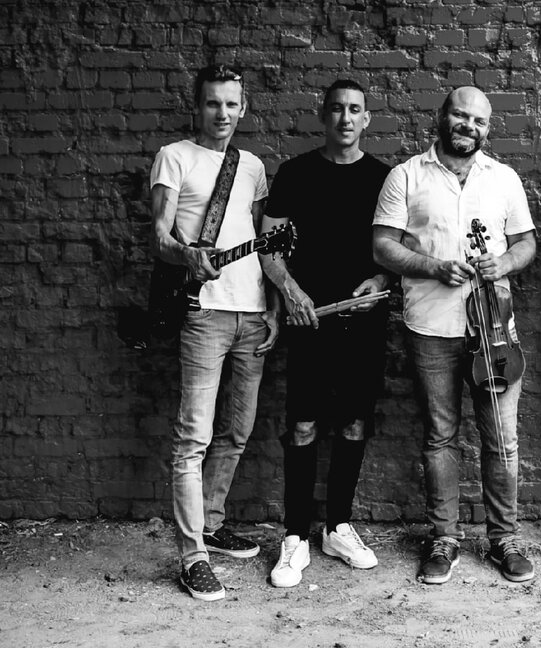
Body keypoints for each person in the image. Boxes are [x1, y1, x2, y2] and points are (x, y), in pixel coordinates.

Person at [372, 86, 537, 584]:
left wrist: (503, 263)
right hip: (432, 326)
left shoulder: (503, 178)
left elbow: (526, 244)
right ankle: (444, 537)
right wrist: (433, 266)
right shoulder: (406, 176)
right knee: (439, 437)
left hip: (494, 328)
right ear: (442, 117)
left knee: (502, 438)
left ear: (488, 128)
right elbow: (383, 246)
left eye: (479, 121)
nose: (469, 126)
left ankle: (504, 537)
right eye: (461, 116)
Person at [150, 64, 278, 601]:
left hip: (253, 313)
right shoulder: (174, 157)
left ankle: (211, 522)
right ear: (196, 106)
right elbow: (159, 236)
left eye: (231, 104)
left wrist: (274, 307)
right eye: (212, 103)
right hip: (204, 312)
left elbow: (263, 245)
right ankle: (192, 557)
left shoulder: (253, 167)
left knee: (237, 431)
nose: (222, 113)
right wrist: (186, 255)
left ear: (242, 108)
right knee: (193, 438)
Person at [259, 80, 391, 588]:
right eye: (336, 109)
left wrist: (380, 279)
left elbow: (398, 246)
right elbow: (268, 247)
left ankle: (337, 527)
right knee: (303, 426)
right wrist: (290, 292)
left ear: (366, 119)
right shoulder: (296, 173)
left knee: (354, 423)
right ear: (323, 115)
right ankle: (295, 535)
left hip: (364, 320)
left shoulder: (384, 178)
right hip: (308, 319)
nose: (345, 118)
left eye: (355, 109)